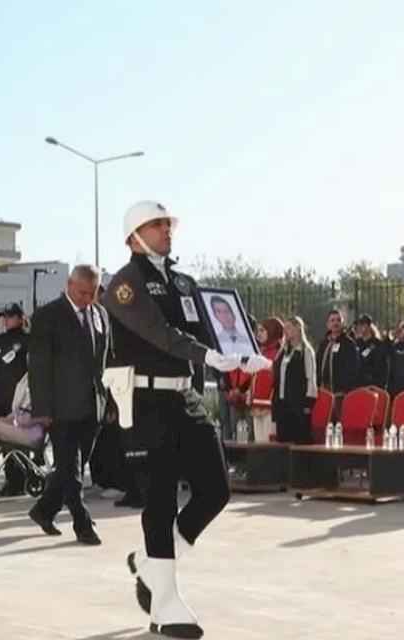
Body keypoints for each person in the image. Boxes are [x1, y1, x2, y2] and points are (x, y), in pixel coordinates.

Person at [103, 200, 267, 638]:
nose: (166, 231)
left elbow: (210, 328)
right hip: (147, 402)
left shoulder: (183, 282)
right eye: (156, 225)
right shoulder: (124, 285)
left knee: (216, 489)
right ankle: (166, 603)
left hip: (185, 399)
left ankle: (150, 565)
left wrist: (242, 348)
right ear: (134, 236)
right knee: (158, 501)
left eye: (167, 224)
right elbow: (160, 334)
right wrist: (211, 355)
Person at [27, 265, 110, 546]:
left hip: (92, 405)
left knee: (71, 467)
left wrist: (109, 399)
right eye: (82, 292)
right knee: (71, 470)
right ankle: (82, 524)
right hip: (60, 407)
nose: (87, 299)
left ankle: (44, 509)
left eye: (92, 293)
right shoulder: (47, 316)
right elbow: (38, 366)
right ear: (69, 285)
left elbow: (105, 360)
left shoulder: (100, 315)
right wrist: (42, 410)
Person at [272, 316, 317, 444]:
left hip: (298, 403)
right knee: (283, 441)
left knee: (298, 440)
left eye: (289, 328)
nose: (285, 331)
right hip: (282, 403)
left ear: (298, 328)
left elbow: (311, 377)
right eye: (284, 328)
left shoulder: (306, 351)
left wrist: (309, 403)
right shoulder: (283, 351)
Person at [0, 303, 30, 421]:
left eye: (11, 316)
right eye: (5, 316)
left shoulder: (28, 339)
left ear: (20, 319)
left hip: (15, 400)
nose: (7, 320)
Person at [318, 309, 360, 398]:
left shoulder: (349, 343)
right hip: (324, 391)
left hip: (341, 393)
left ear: (342, 323)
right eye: (332, 320)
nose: (335, 323)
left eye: (338, 320)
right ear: (328, 324)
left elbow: (353, 368)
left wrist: (345, 389)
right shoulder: (324, 343)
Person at [353, 315, 388, 389]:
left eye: (362, 324)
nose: (359, 327)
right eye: (358, 325)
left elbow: (381, 366)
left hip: (373, 384)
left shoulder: (378, 344)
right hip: (358, 384)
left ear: (369, 326)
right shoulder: (356, 343)